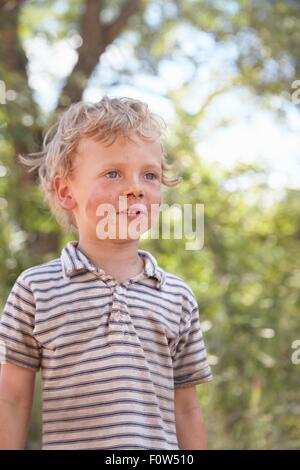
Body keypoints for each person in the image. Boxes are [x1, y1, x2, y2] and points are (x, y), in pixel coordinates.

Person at [0, 96, 213, 450]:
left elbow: (187, 409)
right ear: (66, 190)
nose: (136, 187)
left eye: (150, 175)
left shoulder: (177, 296)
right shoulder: (36, 289)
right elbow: (11, 400)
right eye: (113, 173)